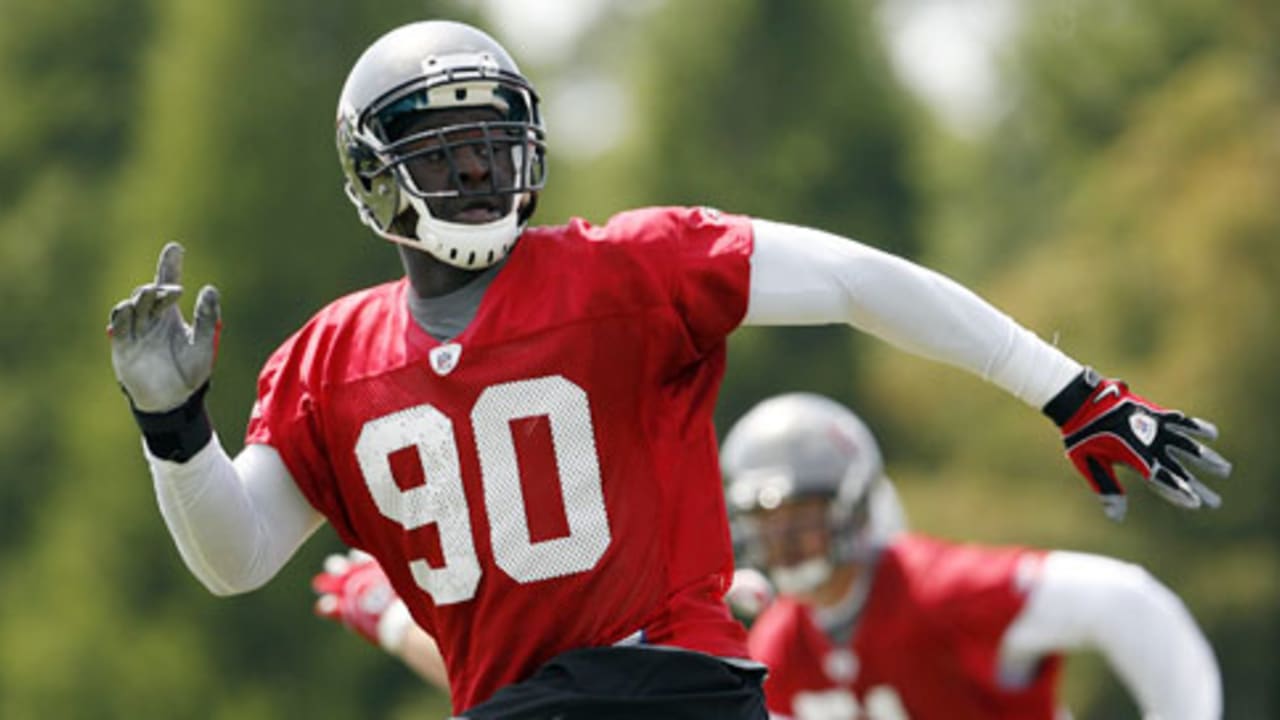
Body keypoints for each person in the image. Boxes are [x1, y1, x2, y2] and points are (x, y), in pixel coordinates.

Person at [105, 18, 1231, 720]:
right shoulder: (328, 360)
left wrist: (1066, 387)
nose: (477, 168)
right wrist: (175, 431)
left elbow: (847, 276)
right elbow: (238, 557)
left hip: (667, 688)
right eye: (443, 152)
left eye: (492, 142)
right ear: (375, 176)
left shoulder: (620, 270)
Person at [310, 393, 1223, 720]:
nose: (786, 541)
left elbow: (1129, 603)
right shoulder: (771, 640)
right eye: (769, 521)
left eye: (805, 518)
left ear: (856, 504)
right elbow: (561, 687)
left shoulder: (938, 590)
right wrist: (395, 618)